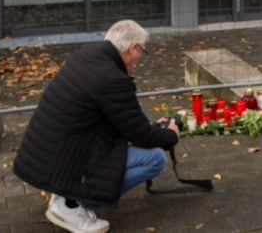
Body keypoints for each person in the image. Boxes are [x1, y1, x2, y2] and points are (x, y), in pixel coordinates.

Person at [13, 20, 180, 233]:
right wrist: (170, 135)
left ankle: (65, 193)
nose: (139, 59)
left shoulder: (84, 57)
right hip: (67, 159)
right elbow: (139, 134)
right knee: (155, 158)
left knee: (134, 149)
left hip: (45, 157)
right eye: (142, 52)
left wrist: (155, 129)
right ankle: (74, 206)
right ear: (132, 49)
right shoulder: (113, 79)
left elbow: (119, 120)